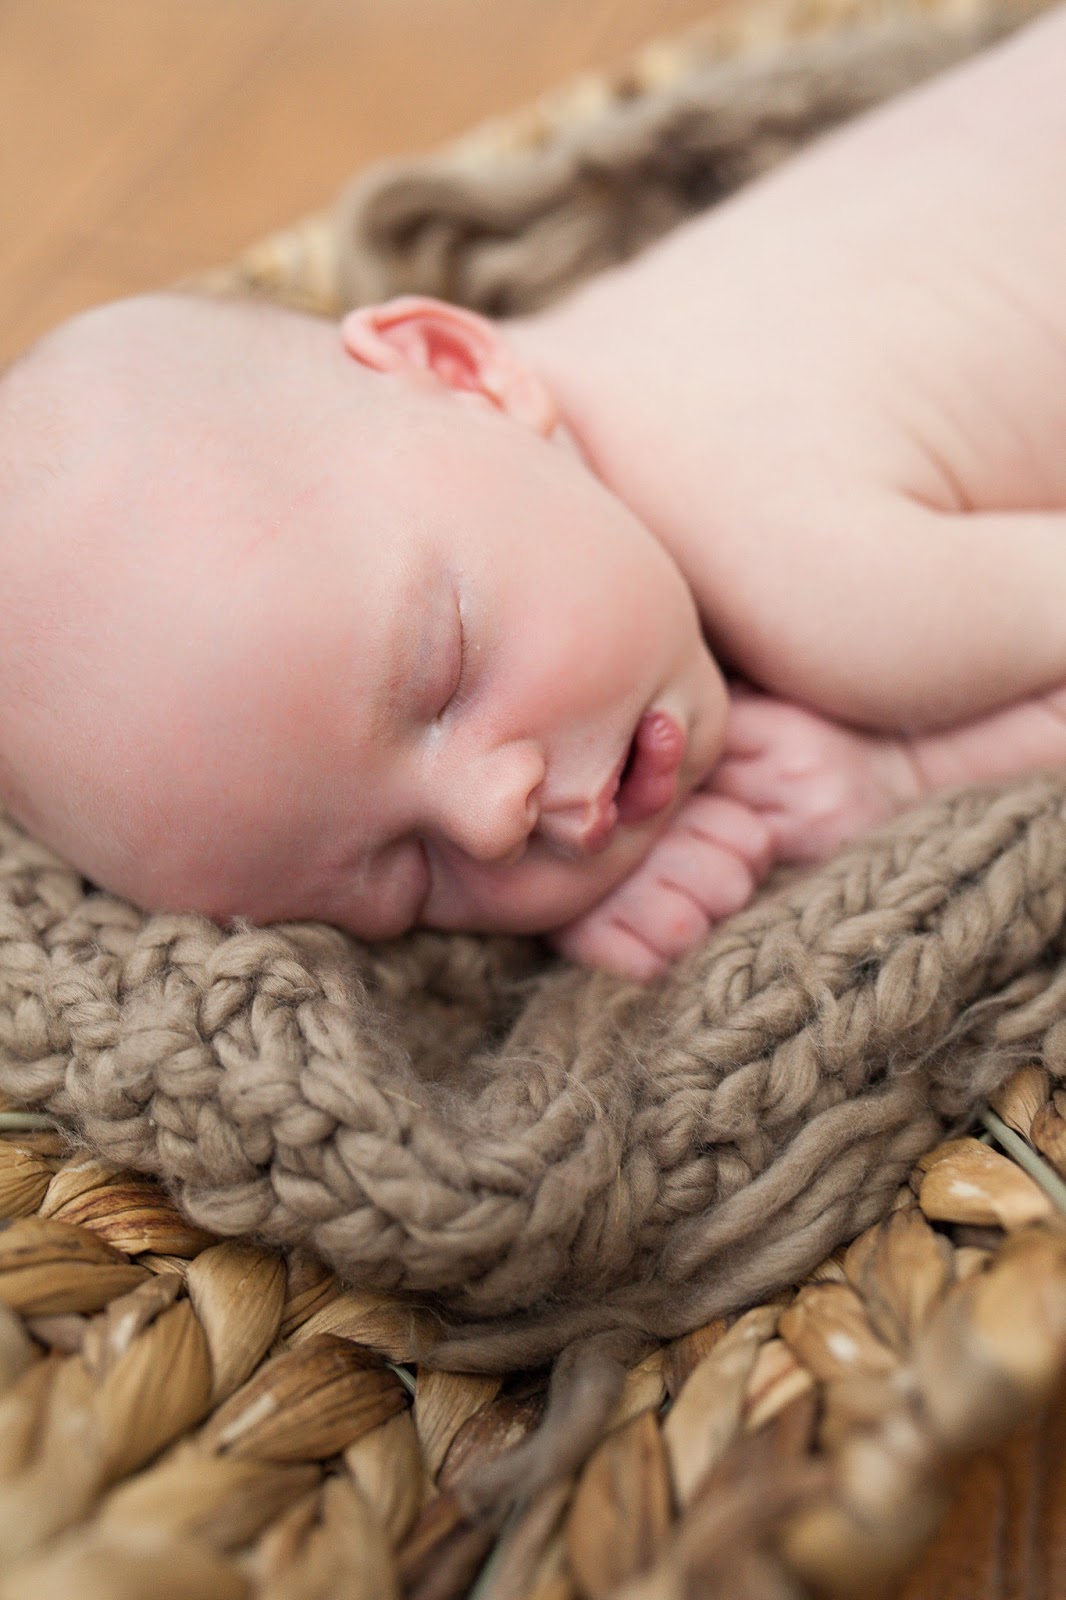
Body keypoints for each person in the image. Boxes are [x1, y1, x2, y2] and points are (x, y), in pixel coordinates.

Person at [1, 6, 1064, 981]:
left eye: (446, 671)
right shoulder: (550, 425)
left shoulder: (837, 593)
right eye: (408, 876)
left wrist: (911, 765)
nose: (492, 818)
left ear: (459, 366)